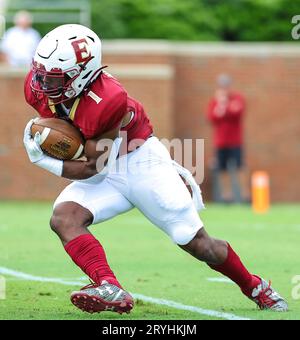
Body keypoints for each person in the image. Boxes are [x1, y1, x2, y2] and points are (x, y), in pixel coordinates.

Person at [23, 24, 287, 314]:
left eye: (54, 77)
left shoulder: (109, 100)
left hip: (140, 163)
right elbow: (73, 138)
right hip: (106, 167)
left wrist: (43, 158)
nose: (42, 83)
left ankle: (255, 286)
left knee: (196, 242)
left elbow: (91, 168)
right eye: (41, 73)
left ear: (83, 74)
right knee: (63, 218)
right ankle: (109, 286)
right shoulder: (38, 89)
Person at [207, 74, 249, 203]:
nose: (224, 88)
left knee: (239, 167)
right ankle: (227, 195)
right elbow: (213, 118)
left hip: (235, 141)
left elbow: (237, 112)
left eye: (226, 85)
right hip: (221, 142)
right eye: (222, 85)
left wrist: (226, 106)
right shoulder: (215, 101)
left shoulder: (237, 98)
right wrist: (221, 104)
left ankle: (245, 195)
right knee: (222, 168)